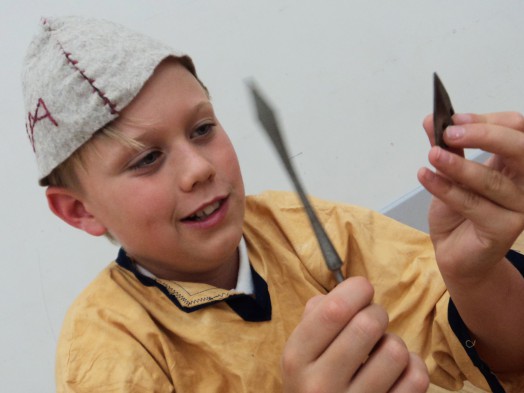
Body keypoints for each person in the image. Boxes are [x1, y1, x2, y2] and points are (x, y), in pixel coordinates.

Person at [22, 16, 524, 393]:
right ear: (79, 210)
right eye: (147, 159)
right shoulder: (108, 350)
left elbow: (498, 353)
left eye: (202, 129)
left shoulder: (294, 227)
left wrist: (477, 278)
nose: (199, 168)